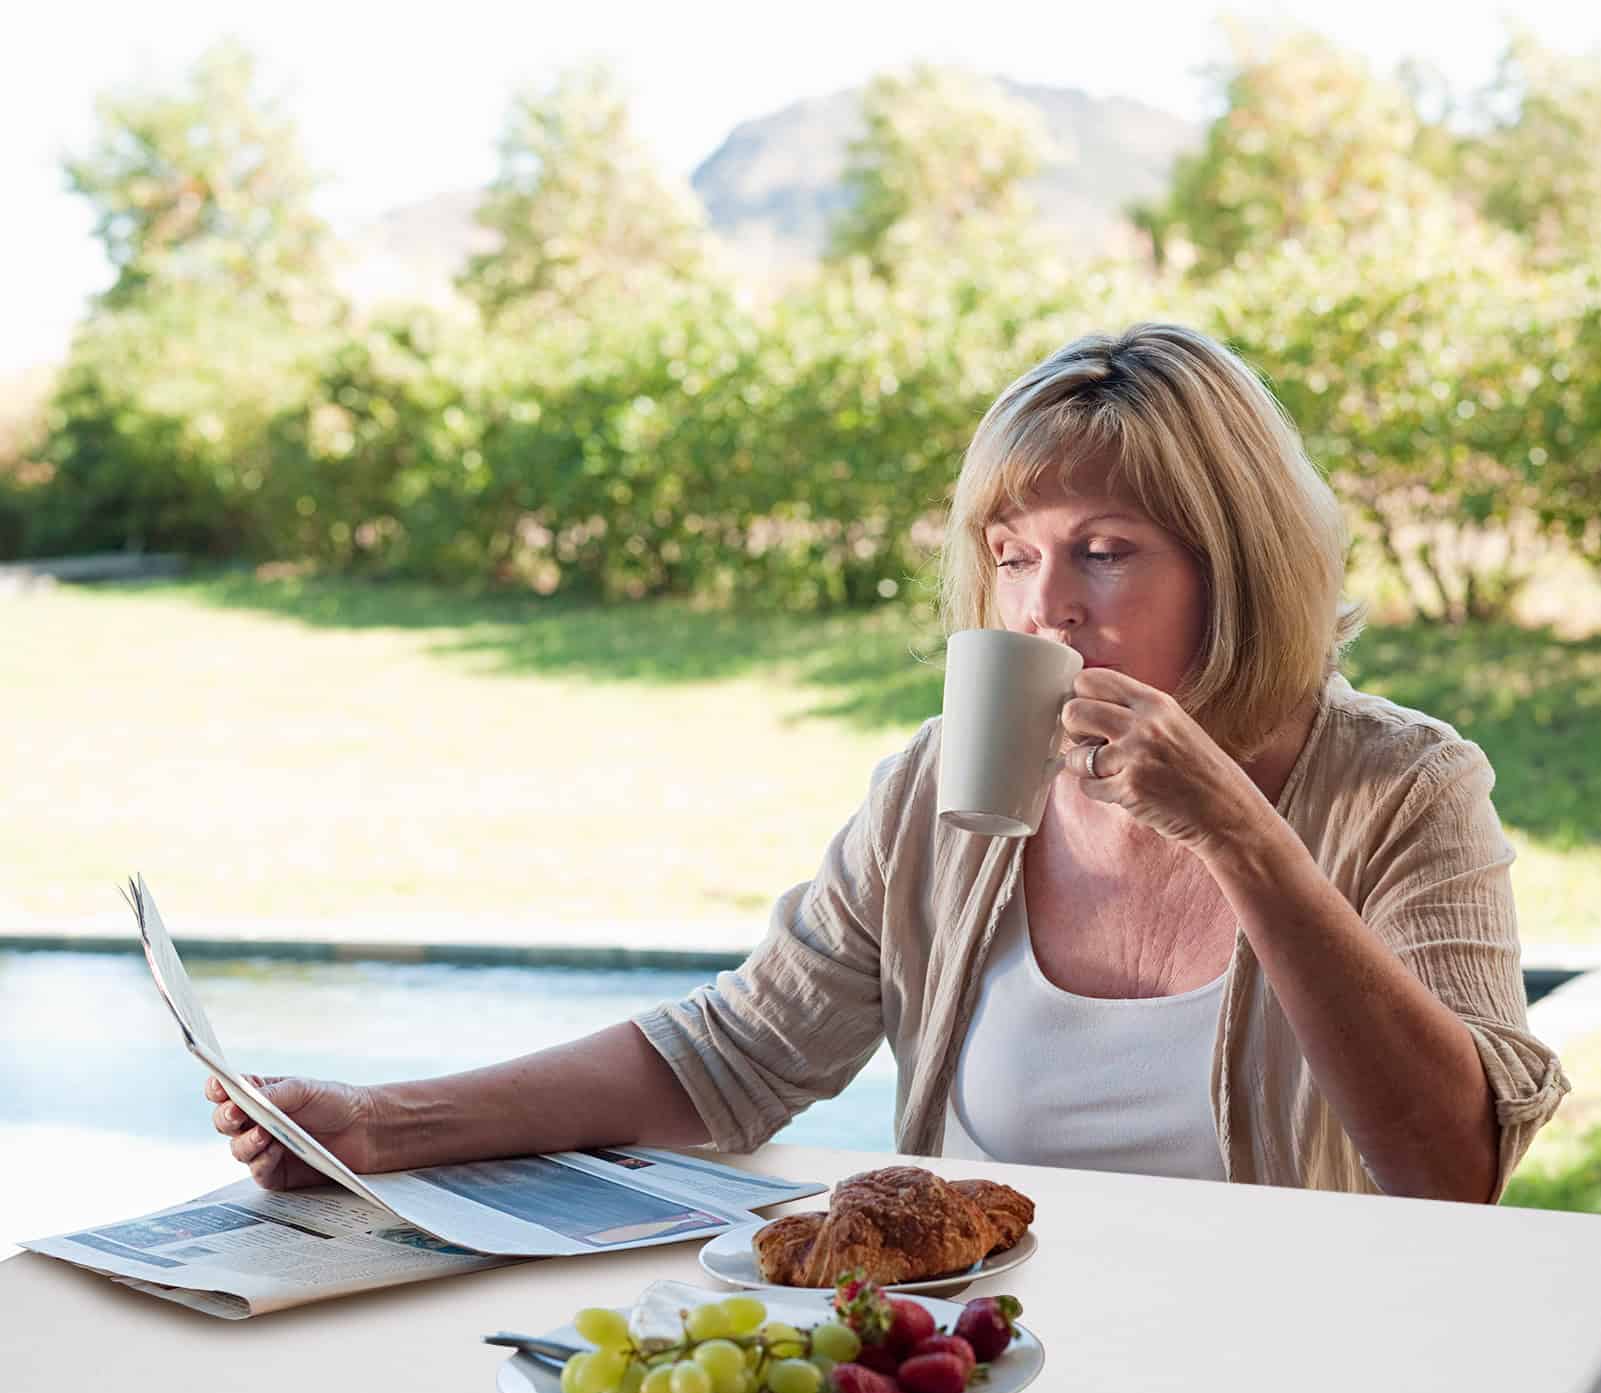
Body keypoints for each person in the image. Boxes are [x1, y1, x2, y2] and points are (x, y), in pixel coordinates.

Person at [205, 322, 1568, 1205]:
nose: (1044, 608)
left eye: (1104, 549)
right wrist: (377, 1125)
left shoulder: (1403, 788)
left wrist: (1240, 834)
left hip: (1286, 1384)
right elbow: (736, 1055)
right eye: (1014, 553)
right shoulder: (941, 787)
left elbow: (1451, 1170)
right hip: (984, 1368)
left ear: (1239, 568)